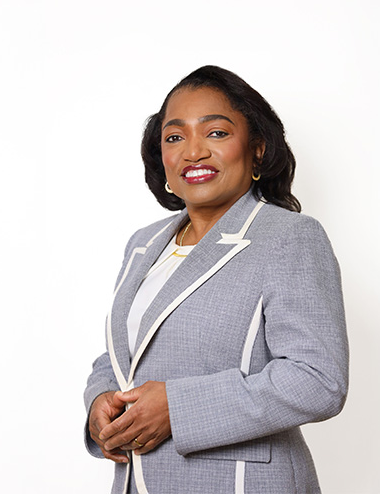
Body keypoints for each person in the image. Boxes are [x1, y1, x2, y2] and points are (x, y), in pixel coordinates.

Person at [83, 65, 348, 494]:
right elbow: (125, 353)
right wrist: (99, 402)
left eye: (216, 133)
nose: (193, 152)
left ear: (257, 149)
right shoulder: (143, 243)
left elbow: (318, 379)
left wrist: (177, 408)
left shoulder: (289, 238)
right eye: (174, 137)